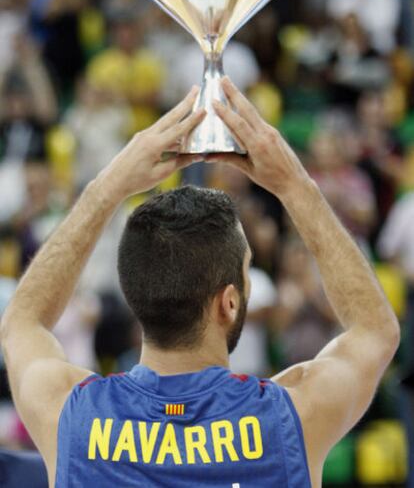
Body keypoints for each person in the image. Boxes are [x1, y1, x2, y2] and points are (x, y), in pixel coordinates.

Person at [0, 79, 400, 487]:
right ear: (228, 302)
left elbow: (21, 324)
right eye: (245, 269)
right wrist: (296, 186)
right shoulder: (290, 419)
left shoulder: (73, 418)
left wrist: (105, 190)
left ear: (136, 292)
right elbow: (374, 331)